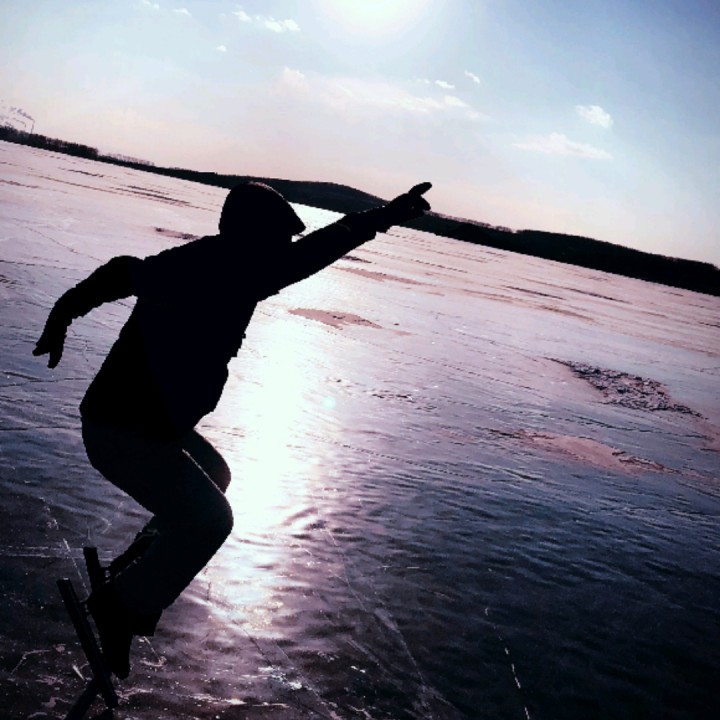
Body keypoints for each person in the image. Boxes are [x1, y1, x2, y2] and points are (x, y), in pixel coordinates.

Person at [34, 180, 432, 678]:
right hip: (123, 431)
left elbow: (124, 272)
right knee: (211, 521)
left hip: (147, 424)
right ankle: (121, 604)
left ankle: (137, 569)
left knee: (216, 474)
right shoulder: (223, 268)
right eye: (279, 239)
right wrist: (63, 312)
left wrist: (64, 313)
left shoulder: (225, 262)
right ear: (252, 235)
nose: (285, 250)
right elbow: (123, 272)